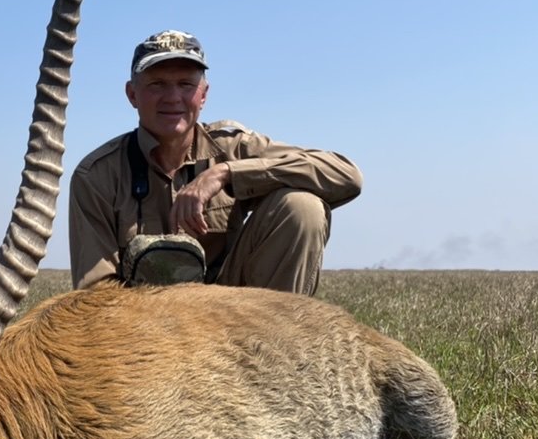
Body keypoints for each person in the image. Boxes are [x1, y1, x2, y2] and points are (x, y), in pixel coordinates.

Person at [68, 30, 362, 294]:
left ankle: (281, 346)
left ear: (204, 95)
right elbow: (97, 294)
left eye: (185, 84)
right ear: (132, 94)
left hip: (234, 312)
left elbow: (346, 176)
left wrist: (226, 173)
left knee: (301, 207)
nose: (173, 98)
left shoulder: (231, 146)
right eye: (157, 84)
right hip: (145, 328)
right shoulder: (96, 175)